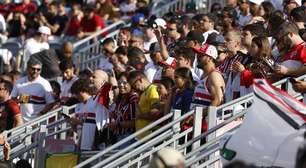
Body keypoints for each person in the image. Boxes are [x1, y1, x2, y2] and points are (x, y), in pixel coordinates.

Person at [191, 44, 225, 131]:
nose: (197, 57)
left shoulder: (214, 75)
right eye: (197, 55)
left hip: (206, 126)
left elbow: (218, 100)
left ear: (210, 58)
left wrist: (199, 115)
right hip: (198, 123)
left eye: (201, 55)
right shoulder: (204, 75)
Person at [70, 79, 109, 151]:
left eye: (77, 93)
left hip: (93, 144)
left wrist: (95, 142)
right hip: (82, 143)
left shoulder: (95, 101)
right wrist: (73, 124)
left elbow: (97, 123)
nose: (76, 96)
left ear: (83, 90)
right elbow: (78, 128)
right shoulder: (78, 106)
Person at [127, 70, 161, 139]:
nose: (134, 88)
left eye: (134, 85)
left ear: (140, 80)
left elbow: (155, 113)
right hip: (141, 137)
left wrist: (139, 116)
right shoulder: (143, 92)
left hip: (149, 137)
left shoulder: (152, 90)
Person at [108, 73, 138, 145]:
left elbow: (135, 122)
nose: (121, 85)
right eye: (119, 83)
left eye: (124, 82)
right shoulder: (120, 99)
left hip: (128, 136)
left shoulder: (134, 98)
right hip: (118, 136)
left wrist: (117, 124)